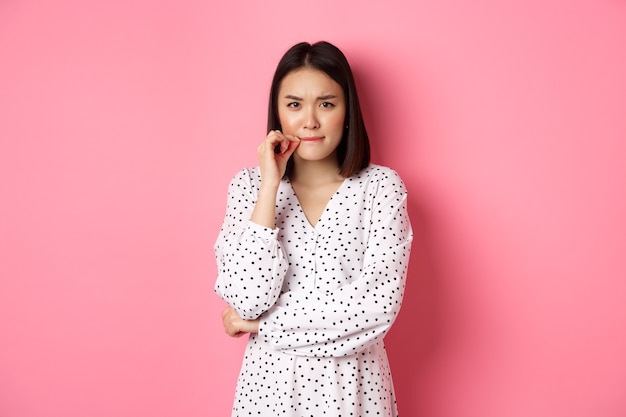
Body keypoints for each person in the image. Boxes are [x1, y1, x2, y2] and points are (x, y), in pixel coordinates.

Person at [214, 40, 413, 417]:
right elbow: (245, 298)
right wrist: (269, 187)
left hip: (353, 391)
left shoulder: (380, 189)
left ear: (347, 110)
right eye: (294, 104)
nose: (310, 121)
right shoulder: (247, 188)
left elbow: (373, 311)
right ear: (278, 113)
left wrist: (258, 325)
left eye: (326, 103)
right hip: (267, 394)